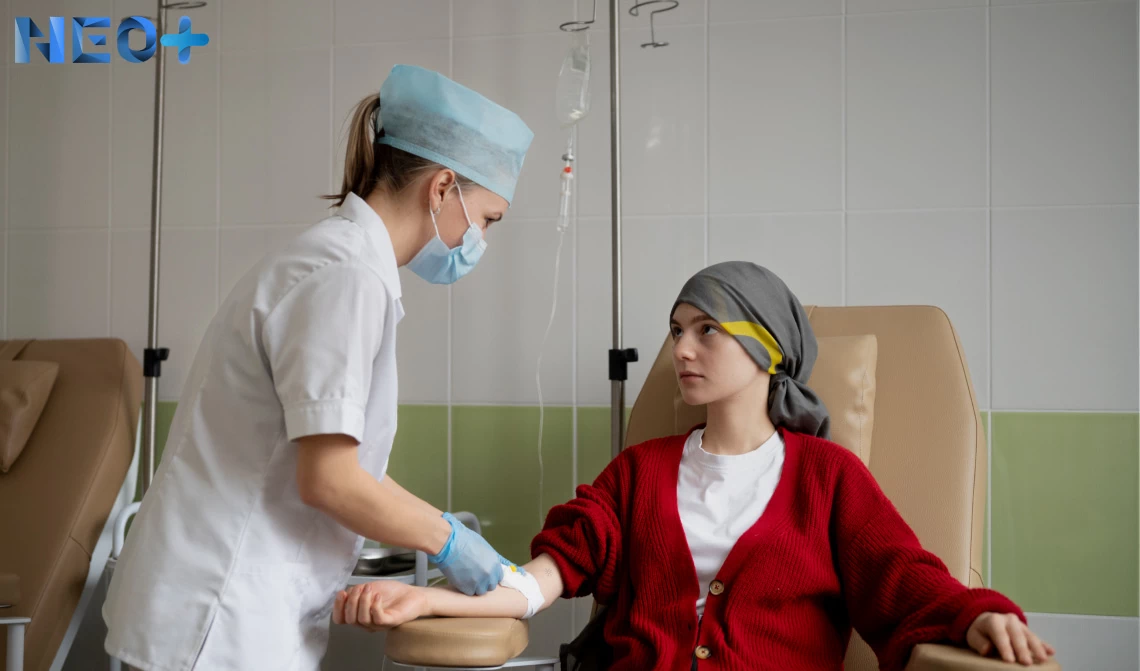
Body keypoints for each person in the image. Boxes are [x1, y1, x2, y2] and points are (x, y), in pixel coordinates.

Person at [333, 262, 1056, 671]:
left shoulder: (828, 478)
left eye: (708, 330)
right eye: (678, 329)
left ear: (768, 349)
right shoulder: (636, 474)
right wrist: (428, 600)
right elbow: (532, 586)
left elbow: (906, 580)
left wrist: (980, 614)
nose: (681, 348)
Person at [102, 64, 534, 671]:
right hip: (219, 615)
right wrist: (449, 541)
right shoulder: (345, 277)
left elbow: (345, 468)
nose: (480, 239)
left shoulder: (342, 264)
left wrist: (445, 533)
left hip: (226, 606)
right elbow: (329, 480)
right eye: (487, 219)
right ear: (441, 188)